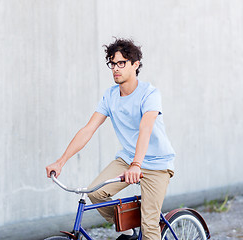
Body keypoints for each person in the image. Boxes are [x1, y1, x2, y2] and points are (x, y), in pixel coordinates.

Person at [46, 38, 175, 240]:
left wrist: (137, 165)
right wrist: (61, 161)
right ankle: (128, 231)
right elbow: (88, 129)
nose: (116, 68)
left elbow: (146, 128)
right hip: (128, 159)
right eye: (112, 64)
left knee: (149, 225)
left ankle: (143, 226)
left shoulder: (150, 94)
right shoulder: (110, 96)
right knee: (95, 193)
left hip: (157, 164)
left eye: (121, 63)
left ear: (135, 64)